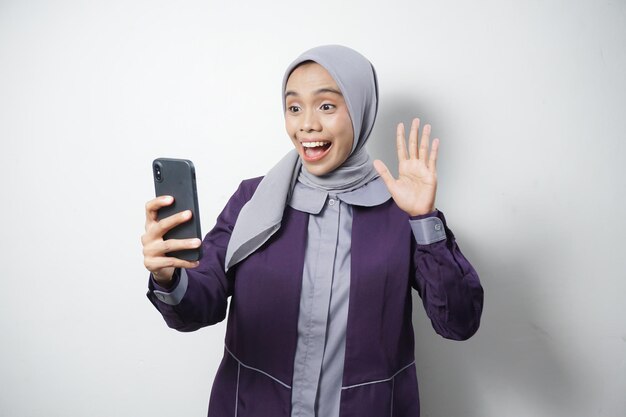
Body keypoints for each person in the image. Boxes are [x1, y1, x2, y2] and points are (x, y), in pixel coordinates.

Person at [142, 45, 484, 417]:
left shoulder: (402, 211)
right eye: (294, 107)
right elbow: (198, 307)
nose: (306, 124)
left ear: (360, 109)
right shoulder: (252, 199)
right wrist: (168, 276)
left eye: (326, 106)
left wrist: (425, 219)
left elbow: (458, 322)